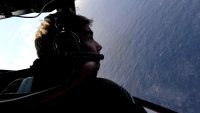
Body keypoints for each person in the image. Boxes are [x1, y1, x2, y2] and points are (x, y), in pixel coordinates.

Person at [1, 11, 147, 112]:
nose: (99, 46)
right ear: (68, 46)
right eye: (89, 37)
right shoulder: (106, 93)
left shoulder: (18, 88)